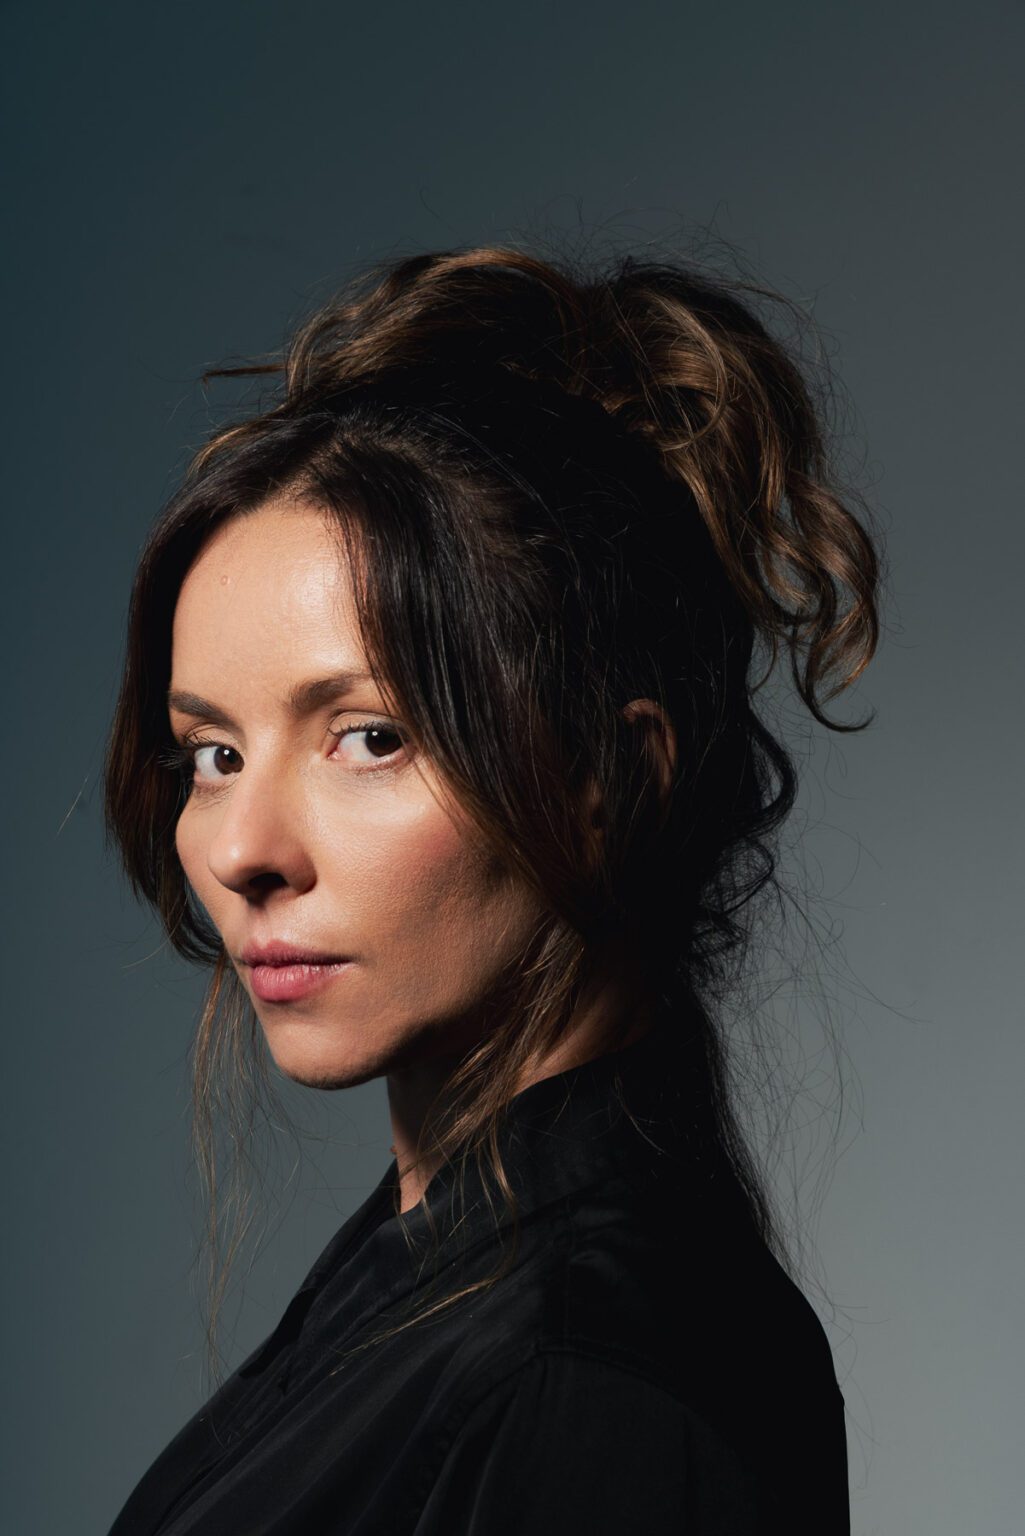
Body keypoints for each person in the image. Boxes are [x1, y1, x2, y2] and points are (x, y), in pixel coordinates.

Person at [102, 242, 881, 1534]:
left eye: (368, 737)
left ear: (610, 778)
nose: (243, 848)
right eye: (212, 755)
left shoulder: (590, 1380)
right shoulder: (443, 1273)